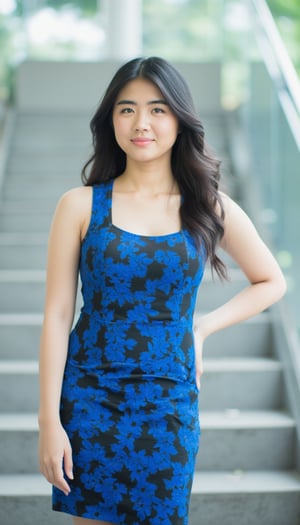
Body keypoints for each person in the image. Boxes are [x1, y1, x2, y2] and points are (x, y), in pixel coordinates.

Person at [38, 56, 286, 525]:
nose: (141, 123)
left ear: (179, 118)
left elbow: (272, 281)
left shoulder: (208, 205)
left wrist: (205, 326)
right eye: (126, 109)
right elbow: (56, 317)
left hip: (169, 402)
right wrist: (48, 421)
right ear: (110, 120)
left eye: (157, 109)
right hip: (90, 398)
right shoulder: (78, 206)